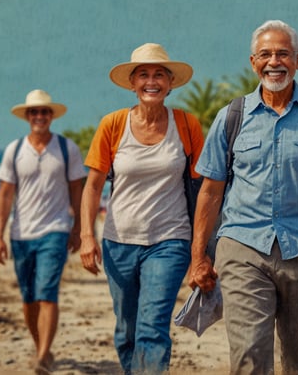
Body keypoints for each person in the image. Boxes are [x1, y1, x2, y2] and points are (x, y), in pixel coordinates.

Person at [189, 20, 298, 374]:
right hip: (243, 247)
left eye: (283, 54)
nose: (275, 62)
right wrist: (199, 258)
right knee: (249, 354)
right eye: (266, 54)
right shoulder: (231, 117)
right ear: (253, 62)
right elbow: (210, 192)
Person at [79, 43, 203, 375]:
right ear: (133, 84)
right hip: (118, 242)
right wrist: (87, 238)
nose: (152, 81)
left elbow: (203, 189)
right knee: (127, 331)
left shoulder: (187, 125)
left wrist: (201, 249)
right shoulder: (113, 124)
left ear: (170, 83)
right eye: (144, 75)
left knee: (152, 329)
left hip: (170, 241)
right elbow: (92, 185)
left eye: (159, 75)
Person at [0, 89, 86, 374]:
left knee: (47, 293)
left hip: (55, 230)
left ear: (51, 116)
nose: (40, 117)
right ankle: (40, 347)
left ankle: (44, 355)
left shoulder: (66, 148)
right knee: (28, 298)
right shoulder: (15, 150)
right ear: (27, 117)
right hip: (21, 234)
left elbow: (76, 189)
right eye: (34, 112)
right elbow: (5, 194)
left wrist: (78, 228)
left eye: (45, 112)